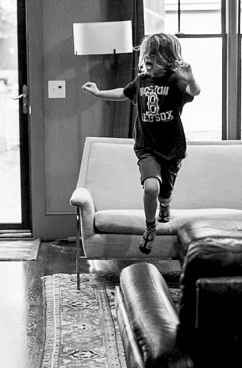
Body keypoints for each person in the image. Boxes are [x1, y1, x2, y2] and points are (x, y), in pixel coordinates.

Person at [82, 33, 201, 253]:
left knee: (165, 191)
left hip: (172, 148)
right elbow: (123, 93)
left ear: (167, 59)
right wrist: (98, 93)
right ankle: (150, 228)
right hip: (147, 147)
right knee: (151, 187)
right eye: (145, 58)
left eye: (152, 58)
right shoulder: (142, 81)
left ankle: (165, 206)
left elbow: (194, 92)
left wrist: (191, 78)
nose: (147, 62)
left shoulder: (175, 81)